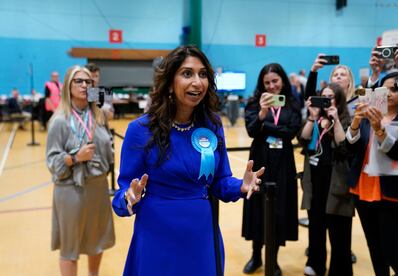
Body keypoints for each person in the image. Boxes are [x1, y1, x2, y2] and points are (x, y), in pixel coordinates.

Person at [111, 45, 264, 276]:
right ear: (170, 81)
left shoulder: (212, 124)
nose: (197, 82)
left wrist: (240, 186)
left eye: (203, 74)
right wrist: (128, 198)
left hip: (200, 233)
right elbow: (123, 192)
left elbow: (220, 182)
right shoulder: (140, 130)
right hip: (156, 232)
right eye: (187, 74)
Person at [46, 65, 115, 276]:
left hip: (98, 187)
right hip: (70, 189)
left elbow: (110, 109)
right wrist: (75, 157)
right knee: (70, 246)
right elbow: (52, 163)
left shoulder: (99, 116)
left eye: (88, 81)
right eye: (78, 81)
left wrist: (98, 91)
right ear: (68, 85)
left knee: (97, 240)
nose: (84, 85)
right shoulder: (59, 121)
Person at [242, 63, 302, 275]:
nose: (272, 85)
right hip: (260, 160)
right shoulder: (254, 103)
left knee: (279, 209)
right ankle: (256, 255)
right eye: (267, 82)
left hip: (283, 162)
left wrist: (266, 127)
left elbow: (291, 132)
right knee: (257, 207)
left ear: (283, 81)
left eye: (275, 81)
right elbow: (251, 131)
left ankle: (273, 260)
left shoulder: (293, 104)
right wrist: (262, 113)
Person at [346, 71, 398, 276]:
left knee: (392, 248)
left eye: (395, 88)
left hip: (391, 192)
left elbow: (396, 153)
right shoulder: (371, 112)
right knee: (374, 246)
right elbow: (350, 147)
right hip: (364, 187)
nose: (390, 93)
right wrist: (356, 122)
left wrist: (380, 131)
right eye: (385, 89)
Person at [299, 82, 354, 276]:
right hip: (315, 179)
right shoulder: (316, 119)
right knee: (316, 225)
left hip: (336, 181)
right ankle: (315, 263)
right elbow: (303, 141)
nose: (327, 100)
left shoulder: (346, 119)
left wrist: (336, 120)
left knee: (339, 230)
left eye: (331, 97)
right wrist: (312, 118)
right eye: (324, 96)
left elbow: (344, 146)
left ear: (338, 100)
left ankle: (340, 270)